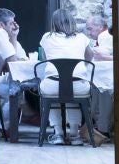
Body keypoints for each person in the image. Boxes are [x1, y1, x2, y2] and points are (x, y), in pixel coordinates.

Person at [38, 8, 96, 145]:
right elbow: (89, 57)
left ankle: (58, 134)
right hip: (78, 86)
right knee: (72, 95)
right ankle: (74, 135)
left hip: (52, 84)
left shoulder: (47, 37)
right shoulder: (82, 38)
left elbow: (45, 58)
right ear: (72, 21)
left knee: (53, 95)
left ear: (54, 23)